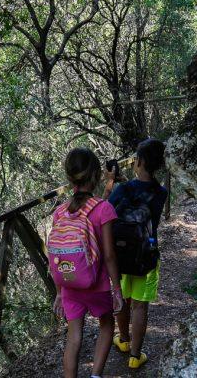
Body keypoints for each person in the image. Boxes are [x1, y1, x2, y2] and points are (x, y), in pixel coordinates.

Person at [51, 148, 124, 378]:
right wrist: (117, 289)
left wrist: (59, 292)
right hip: (97, 285)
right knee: (107, 325)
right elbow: (110, 255)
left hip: (70, 285)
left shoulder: (60, 213)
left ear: (69, 176)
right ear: (96, 175)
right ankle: (95, 375)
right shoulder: (103, 209)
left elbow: (57, 255)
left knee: (73, 338)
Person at [104, 138, 168, 369]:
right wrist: (125, 183)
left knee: (123, 298)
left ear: (138, 161)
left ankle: (123, 340)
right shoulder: (161, 192)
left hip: (121, 255)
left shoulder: (123, 190)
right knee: (140, 306)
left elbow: (105, 208)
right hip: (146, 256)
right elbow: (144, 194)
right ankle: (135, 356)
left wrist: (111, 182)